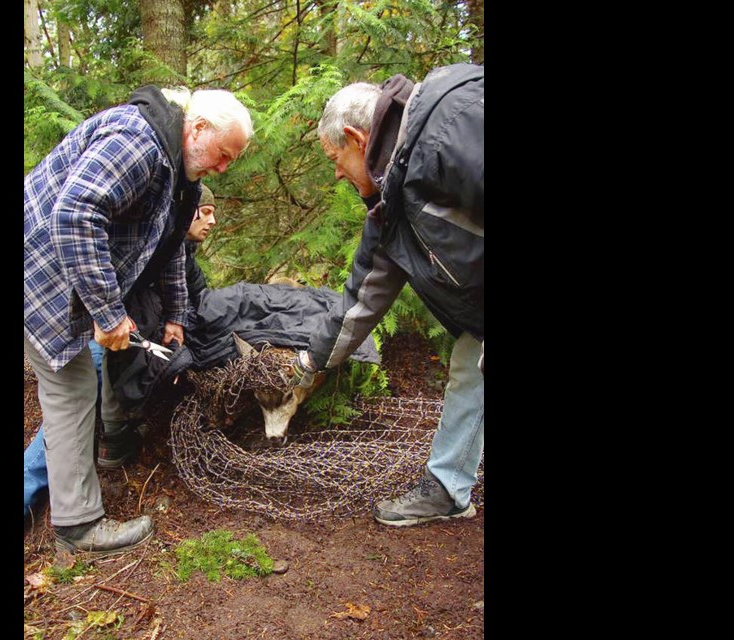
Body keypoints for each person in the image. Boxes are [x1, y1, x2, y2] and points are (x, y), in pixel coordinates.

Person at [24, 84, 251, 555]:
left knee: (76, 386)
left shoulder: (179, 177)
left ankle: (76, 514)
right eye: (223, 155)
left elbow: (166, 248)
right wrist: (108, 314)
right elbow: (76, 214)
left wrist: (174, 314)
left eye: (231, 161)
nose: (224, 168)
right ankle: (78, 527)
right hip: (39, 272)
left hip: (59, 278)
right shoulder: (139, 139)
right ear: (199, 127)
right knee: (72, 388)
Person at [289, 63, 484, 526]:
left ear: (357, 139)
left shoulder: (451, 125)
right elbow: (362, 299)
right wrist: (307, 365)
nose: (337, 174)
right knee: (471, 360)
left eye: (335, 160)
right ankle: (447, 488)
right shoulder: (391, 202)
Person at [24, 184, 218, 518]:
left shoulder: (179, 251)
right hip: (104, 330)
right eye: (207, 212)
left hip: (119, 332)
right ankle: (29, 486)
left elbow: (196, 293)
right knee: (73, 406)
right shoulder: (150, 238)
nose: (212, 221)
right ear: (188, 212)